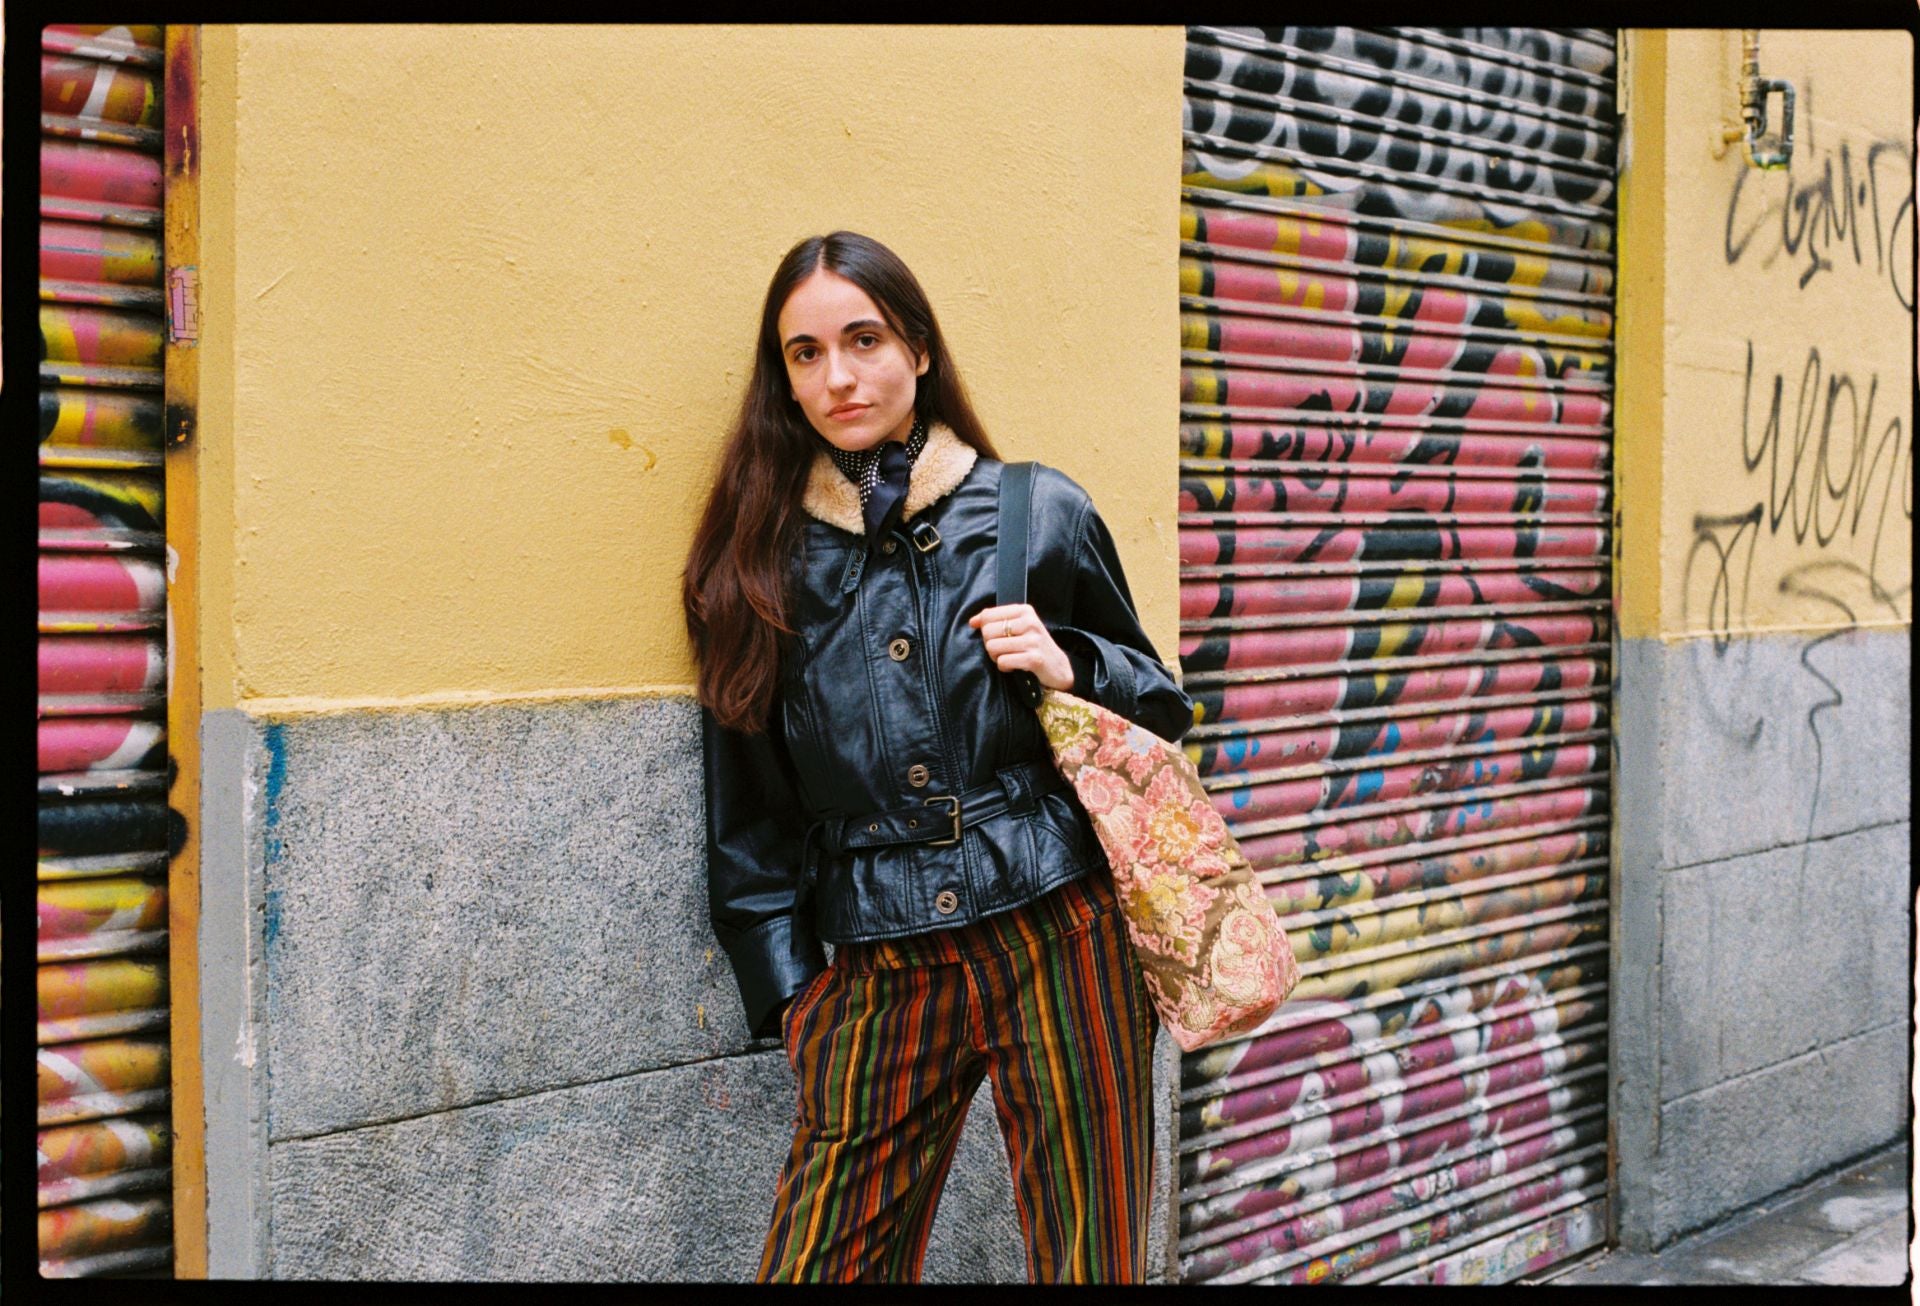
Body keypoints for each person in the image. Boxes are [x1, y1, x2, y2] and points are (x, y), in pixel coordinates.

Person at [681, 230, 1192, 1284]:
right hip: (876, 966)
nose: (839, 376)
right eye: (806, 352)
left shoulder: (1036, 509)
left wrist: (1069, 660)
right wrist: (792, 999)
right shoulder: (757, 560)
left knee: (1090, 1261)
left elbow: (1160, 703)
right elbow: (747, 811)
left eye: (862, 339)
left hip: (1061, 936)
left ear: (916, 345)